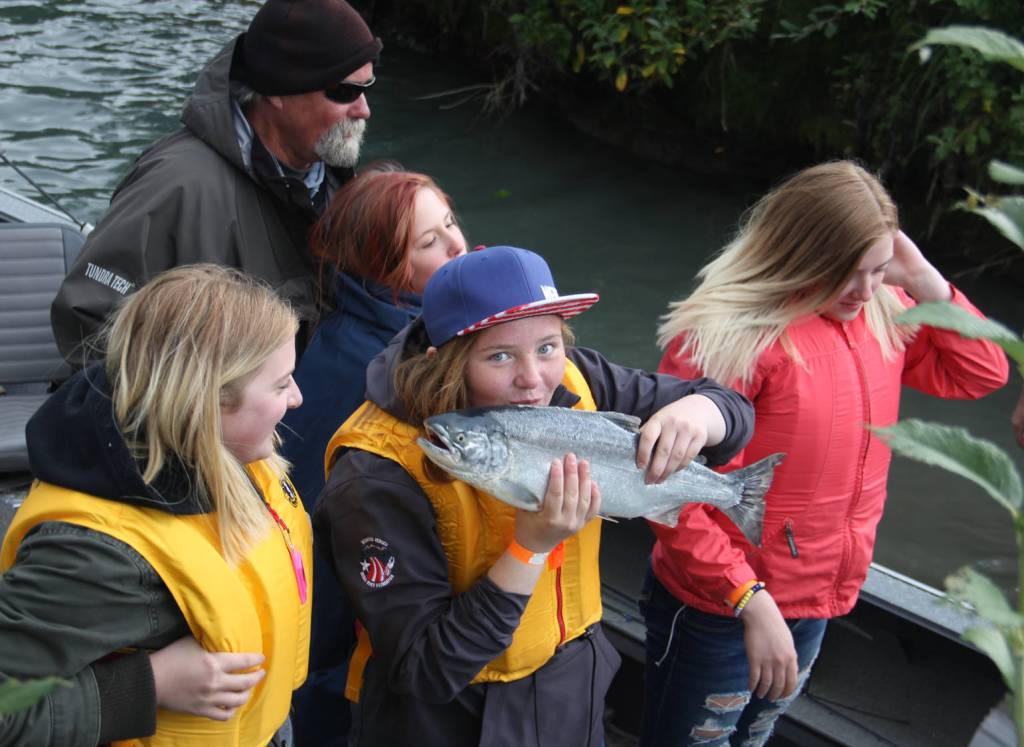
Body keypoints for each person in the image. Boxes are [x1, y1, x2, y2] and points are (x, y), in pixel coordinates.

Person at [313, 245, 755, 746]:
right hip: (448, 720)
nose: (534, 378)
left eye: (547, 346)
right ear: (444, 362)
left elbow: (734, 411)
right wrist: (530, 547)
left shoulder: (574, 376)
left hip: (571, 685)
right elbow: (425, 668)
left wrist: (699, 412)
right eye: (500, 356)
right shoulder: (375, 475)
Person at [642, 160, 1009, 746]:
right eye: (848, 273)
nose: (865, 291)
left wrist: (922, 279)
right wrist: (749, 600)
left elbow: (981, 373)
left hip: (814, 600)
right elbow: (668, 491)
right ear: (803, 255)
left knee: (755, 736)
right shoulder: (734, 337)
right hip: (720, 607)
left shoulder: (880, 312)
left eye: (878, 269)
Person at [1, 265, 311, 746]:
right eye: (280, 384)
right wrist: (151, 684)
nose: (297, 398)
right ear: (205, 402)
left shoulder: (229, 457)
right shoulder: (94, 556)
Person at [51, 0, 382, 365]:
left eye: (366, 86)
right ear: (277, 90)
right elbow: (88, 320)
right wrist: (205, 407)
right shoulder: (174, 186)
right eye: (345, 92)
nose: (364, 108)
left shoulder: (335, 179)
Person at [281, 167, 466, 745]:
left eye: (451, 222)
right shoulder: (363, 366)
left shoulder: (411, 333)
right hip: (340, 629)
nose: (458, 245)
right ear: (386, 269)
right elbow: (317, 524)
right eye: (429, 242)